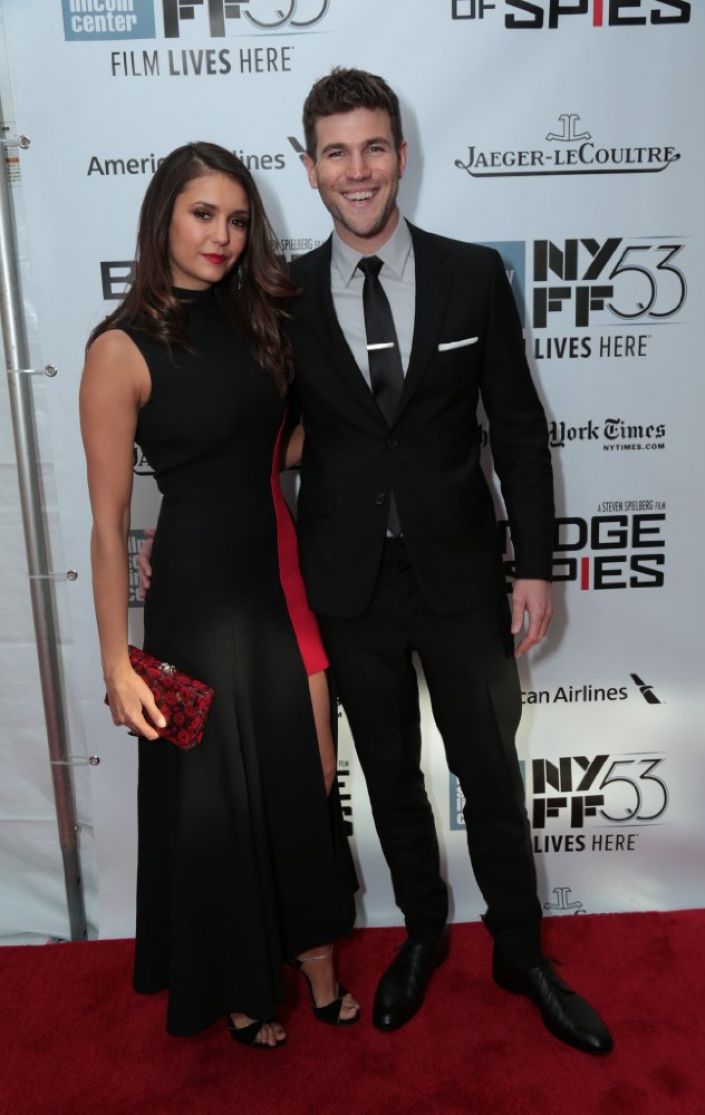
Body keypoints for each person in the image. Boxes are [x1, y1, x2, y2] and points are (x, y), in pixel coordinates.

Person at [285, 68, 612, 1054]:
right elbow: (247, 433)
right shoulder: (281, 295)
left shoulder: (472, 275)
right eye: (336, 152)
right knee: (388, 776)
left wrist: (534, 565)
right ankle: (422, 930)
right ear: (310, 167)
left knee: (490, 771)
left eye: (373, 147)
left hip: (464, 575)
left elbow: (517, 427)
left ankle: (521, 951)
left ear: (401, 152)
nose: (357, 170)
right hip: (349, 581)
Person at [79, 141, 358, 1047]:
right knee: (218, 798)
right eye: (204, 214)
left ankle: (314, 954)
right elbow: (107, 523)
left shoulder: (261, 319)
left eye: (238, 220)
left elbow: (277, 443)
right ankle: (244, 978)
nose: (222, 236)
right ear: (162, 215)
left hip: (277, 575)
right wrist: (117, 662)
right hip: (194, 603)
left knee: (306, 775)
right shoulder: (119, 349)